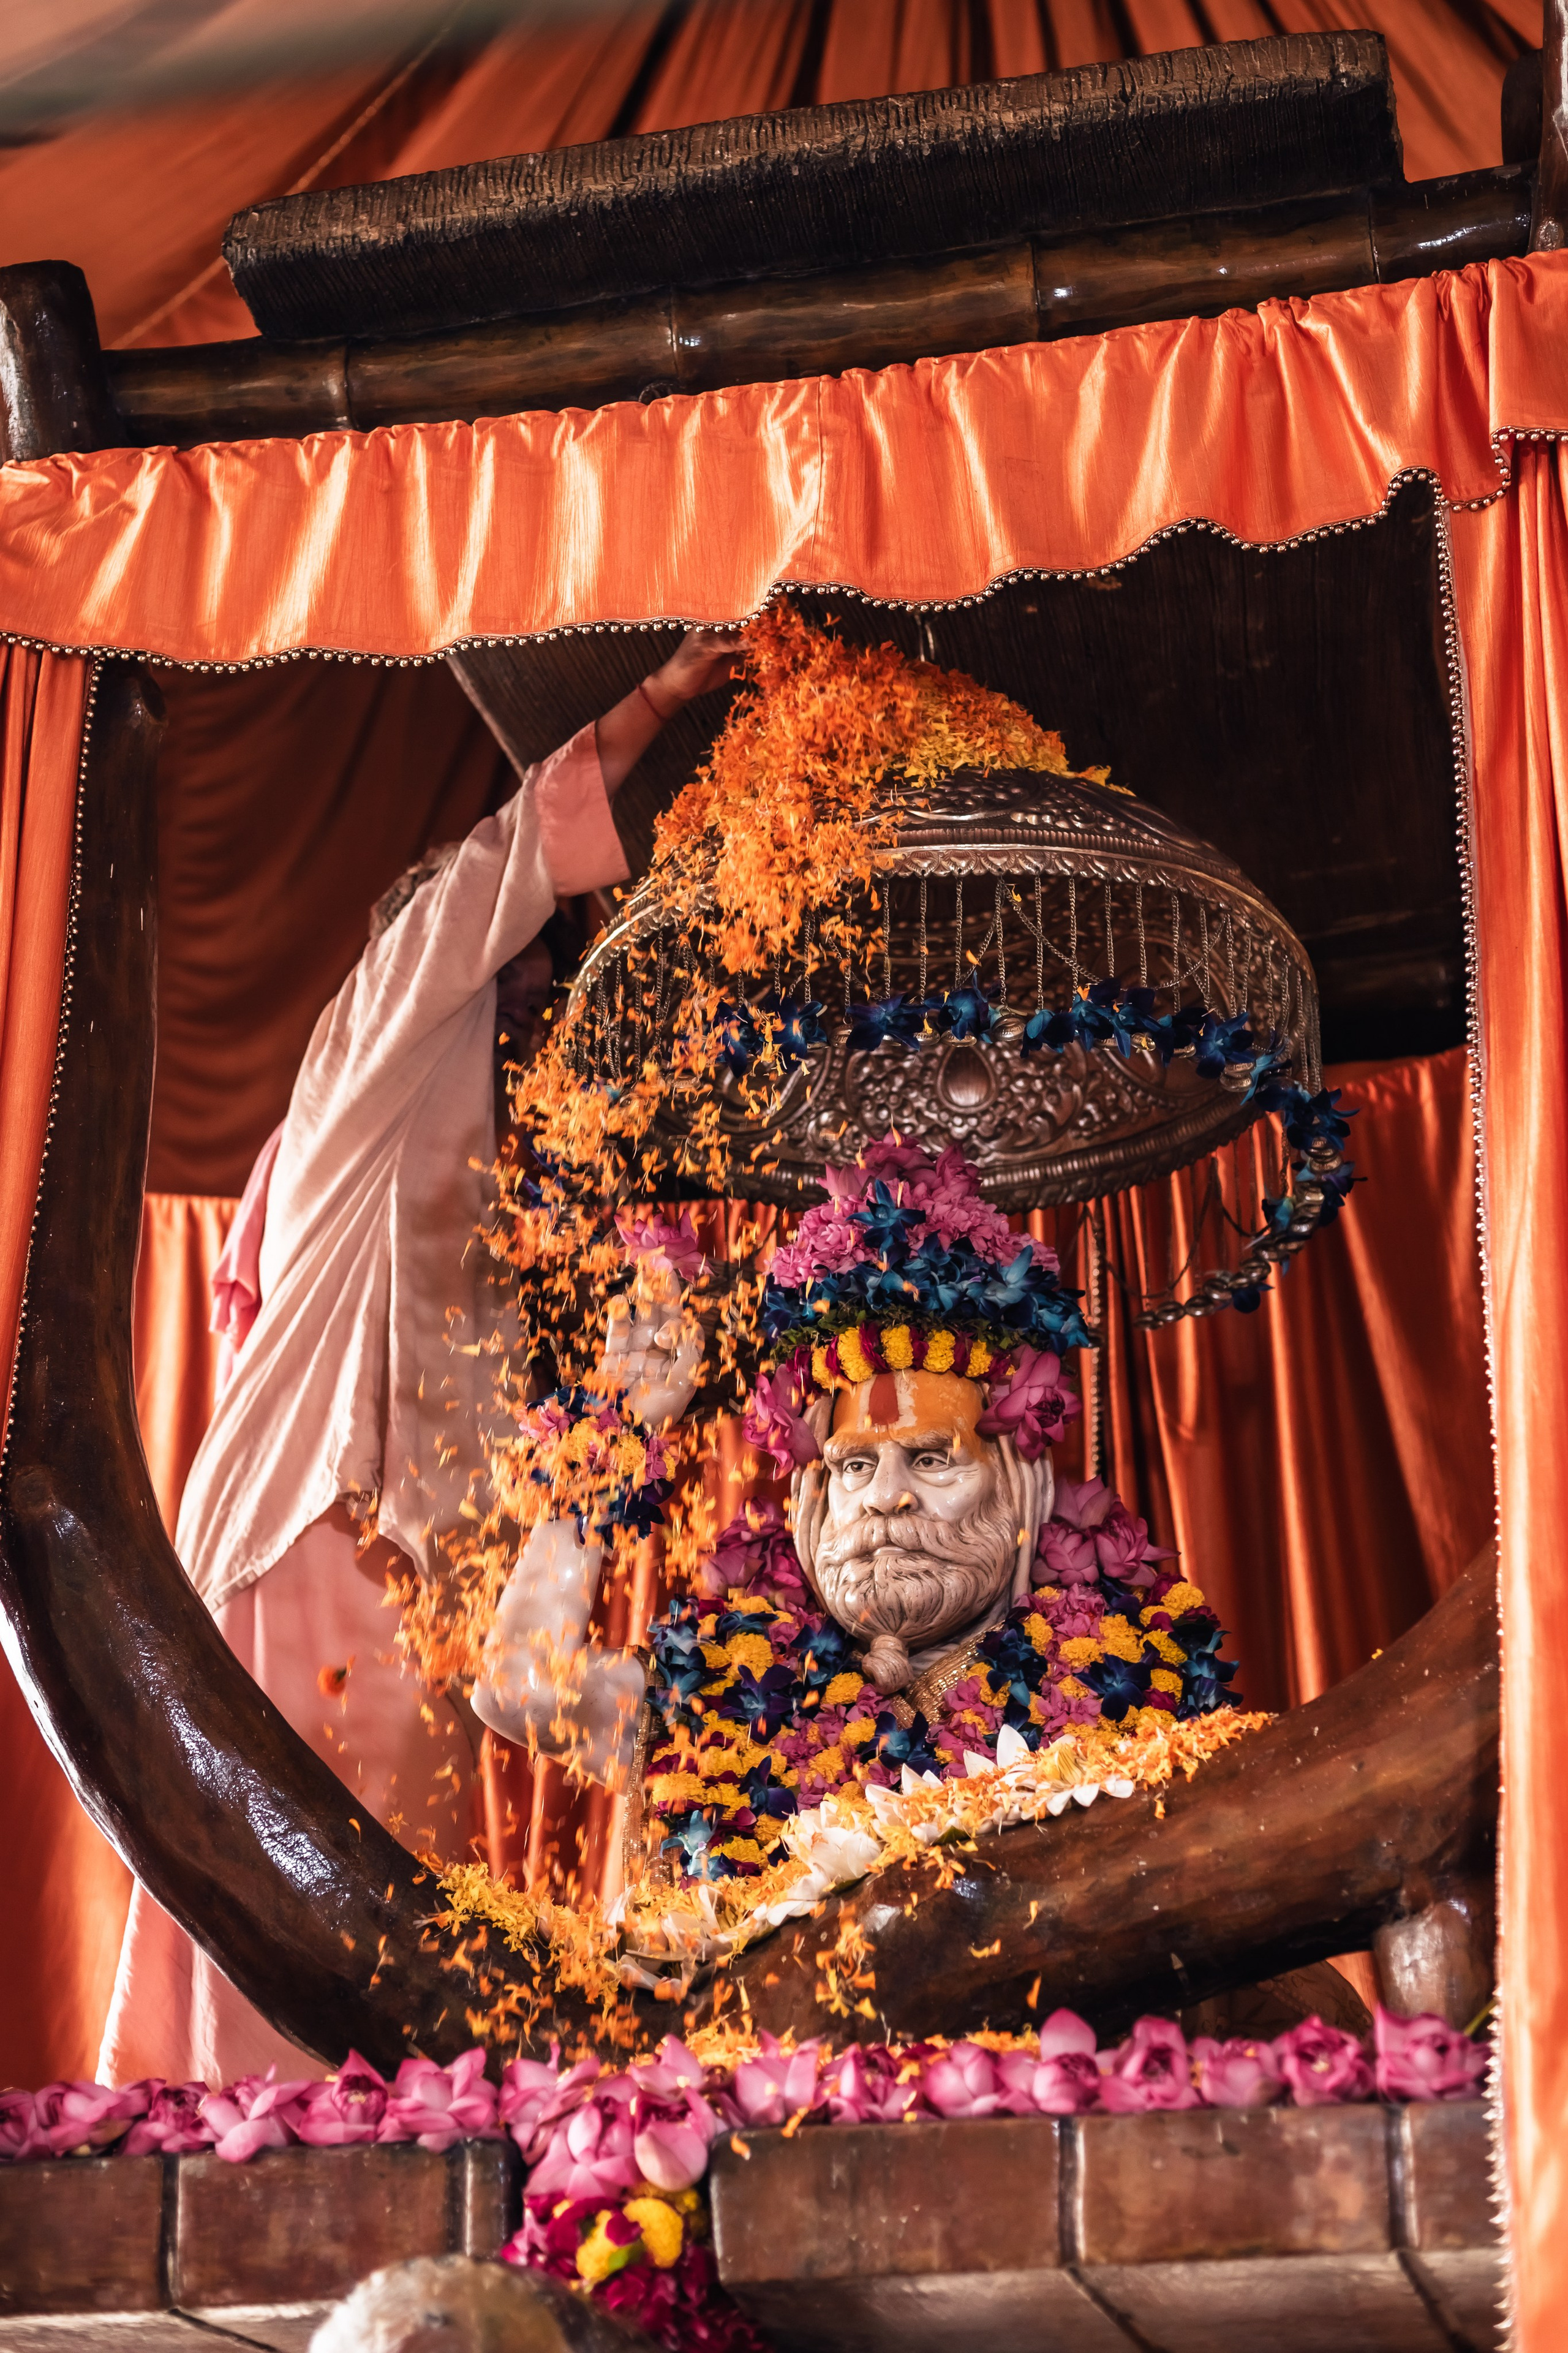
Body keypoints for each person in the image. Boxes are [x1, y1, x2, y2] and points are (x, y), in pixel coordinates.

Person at [97, 628, 741, 2085]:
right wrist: (647, 706)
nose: (537, 1033)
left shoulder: (487, 1190)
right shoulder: (371, 1058)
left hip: (404, 1597)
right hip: (308, 1554)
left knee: (391, 1975)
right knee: (300, 1975)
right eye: (523, 990)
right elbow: (483, 890)